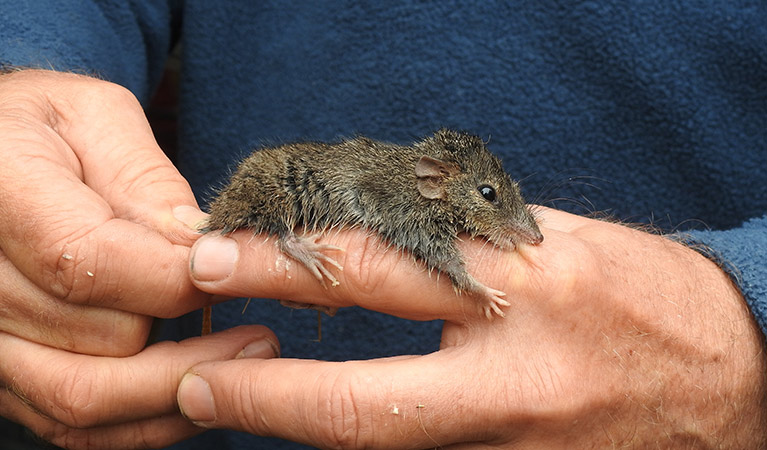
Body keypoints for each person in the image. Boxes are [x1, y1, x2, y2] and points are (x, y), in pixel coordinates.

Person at [1, 1, 765, 449]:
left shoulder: (435, 194)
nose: (516, 223)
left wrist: (748, 327)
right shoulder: (417, 204)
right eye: (498, 204)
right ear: (439, 186)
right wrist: (23, 60)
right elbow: (426, 246)